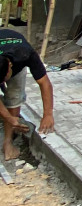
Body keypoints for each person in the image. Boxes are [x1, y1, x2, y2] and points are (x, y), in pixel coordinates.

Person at [0, 29, 55, 160]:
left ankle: (8, 142)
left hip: (17, 58)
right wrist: (9, 118)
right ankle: (10, 127)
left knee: (14, 95)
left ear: (10, 66)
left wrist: (48, 114)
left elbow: (44, 83)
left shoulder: (26, 54)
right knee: (8, 111)